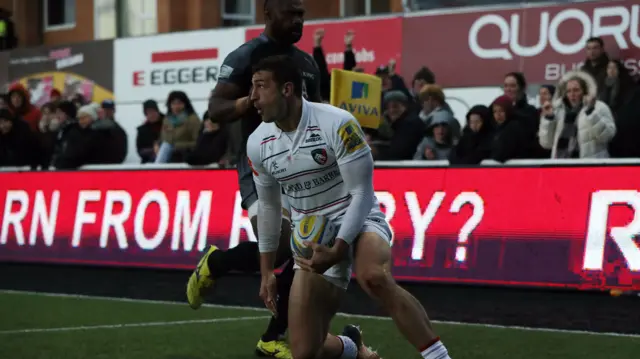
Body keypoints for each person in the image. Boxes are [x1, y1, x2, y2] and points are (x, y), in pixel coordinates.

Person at [248, 55, 452, 359]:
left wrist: (340, 247)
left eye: (260, 87)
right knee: (304, 352)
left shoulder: (337, 123)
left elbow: (361, 192)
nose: (252, 98)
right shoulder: (258, 143)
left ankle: (439, 357)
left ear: (287, 89)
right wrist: (267, 273)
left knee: (373, 276)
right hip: (312, 238)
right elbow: (269, 209)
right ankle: (352, 349)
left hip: (357, 217)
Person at [186, 1, 322, 358]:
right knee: (279, 245)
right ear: (267, 13)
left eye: (301, 15)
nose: (298, 21)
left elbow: (319, 115)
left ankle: (272, 338)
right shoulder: (246, 56)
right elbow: (215, 109)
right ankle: (216, 264)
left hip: (301, 168)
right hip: (259, 164)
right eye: (290, 14)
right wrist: (253, 100)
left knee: (308, 248)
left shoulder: (307, 64)